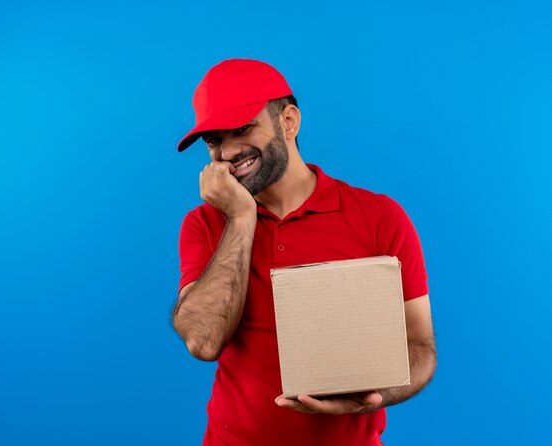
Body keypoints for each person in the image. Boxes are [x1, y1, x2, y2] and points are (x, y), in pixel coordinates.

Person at [172, 58, 437, 446]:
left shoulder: (380, 217)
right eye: (214, 140)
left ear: (289, 122)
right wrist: (241, 217)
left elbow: (420, 348)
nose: (228, 152)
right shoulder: (205, 224)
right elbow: (203, 340)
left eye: (242, 129)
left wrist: (375, 396)